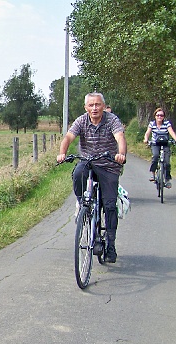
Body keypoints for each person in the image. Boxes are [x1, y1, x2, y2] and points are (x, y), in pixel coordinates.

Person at [57, 92, 127, 263]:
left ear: (103, 106)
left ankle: (110, 245)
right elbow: (68, 137)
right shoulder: (81, 120)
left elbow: (120, 137)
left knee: (110, 206)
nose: (94, 108)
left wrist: (121, 154)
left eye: (97, 105)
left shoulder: (112, 120)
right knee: (78, 173)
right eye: (91, 105)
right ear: (86, 107)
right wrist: (62, 153)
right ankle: (83, 204)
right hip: (88, 161)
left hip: (108, 165)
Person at [143, 107, 176, 188]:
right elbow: (147, 133)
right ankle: (153, 174)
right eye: (158, 115)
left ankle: (167, 179)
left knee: (167, 162)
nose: (160, 117)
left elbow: (171, 132)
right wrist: (146, 139)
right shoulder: (152, 124)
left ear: (164, 117)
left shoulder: (167, 124)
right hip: (155, 144)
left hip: (165, 143)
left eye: (161, 115)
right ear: (155, 116)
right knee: (155, 156)